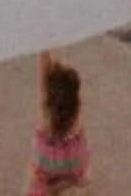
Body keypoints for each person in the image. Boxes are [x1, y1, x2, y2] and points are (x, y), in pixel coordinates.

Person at [27, 49, 88, 194]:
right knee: (80, 176)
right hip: (73, 158)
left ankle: (47, 189)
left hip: (46, 158)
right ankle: (68, 184)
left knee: (36, 178)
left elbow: (44, 68)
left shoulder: (46, 112)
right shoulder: (76, 111)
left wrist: (45, 44)